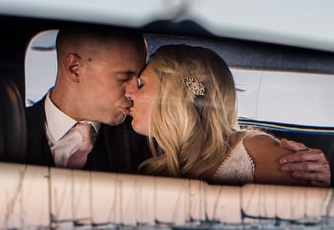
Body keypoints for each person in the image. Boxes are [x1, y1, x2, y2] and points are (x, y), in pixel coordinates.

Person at [24, 26, 330, 185]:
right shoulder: (4, 130)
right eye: (124, 77)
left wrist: (311, 173)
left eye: (139, 80)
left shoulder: (153, 140)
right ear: (75, 69)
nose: (131, 92)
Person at [124, 43, 320, 186]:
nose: (129, 93)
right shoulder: (155, 167)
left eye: (141, 84)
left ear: (174, 94)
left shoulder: (257, 151)